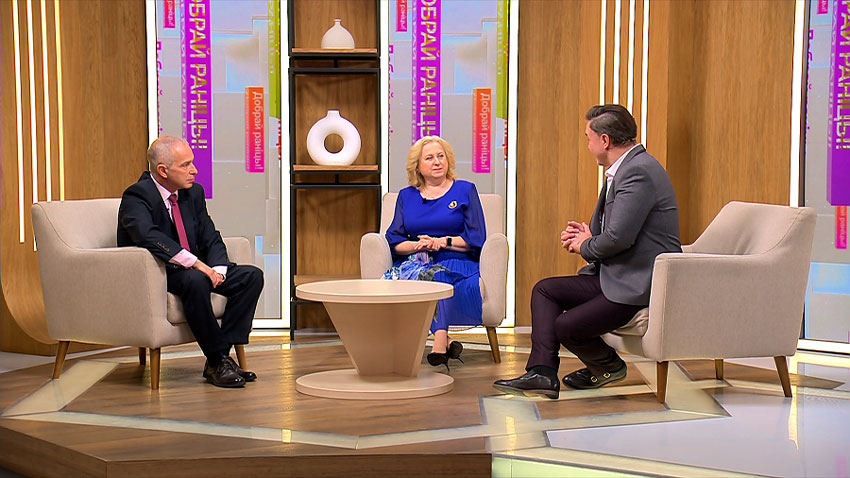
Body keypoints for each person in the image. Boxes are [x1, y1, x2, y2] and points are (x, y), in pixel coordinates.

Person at [494, 105, 681, 399]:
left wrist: (584, 245)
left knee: (567, 325)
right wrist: (589, 237)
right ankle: (542, 373)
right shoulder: (626, 169)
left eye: (588, 138)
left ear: (604, 140)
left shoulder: (638, 172)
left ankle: (607, 366)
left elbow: (618, 238)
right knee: (545, 290)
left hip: (637, 283)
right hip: (617, 274)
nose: (588, 145)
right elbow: (616, 232)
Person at [118, 136, 264, 388]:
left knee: (251, 276)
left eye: (192, 163)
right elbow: (148, 236)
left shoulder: (192, 193)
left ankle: (219, 359)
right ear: (163, 170)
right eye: (185, 165)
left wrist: (217, 269)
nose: (194, 170)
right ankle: (219, 360)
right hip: (160, 272)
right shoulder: (137, 195)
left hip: (196, 270)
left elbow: (209, 234)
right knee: (196, 279)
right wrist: (197, 264)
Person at [384, 136, 487, 370]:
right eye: (429, 158)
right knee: (419, 275)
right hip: (417, 260)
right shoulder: (406, 196)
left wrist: (442, 242)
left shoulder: (465, 190)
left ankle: (439, 343)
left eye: (441, 156)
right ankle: (447, 342)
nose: (437, 162)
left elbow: (476, 238)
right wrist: (419, 245)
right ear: (417, 166)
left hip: (456, 259)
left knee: (435, 276)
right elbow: (394, 241)